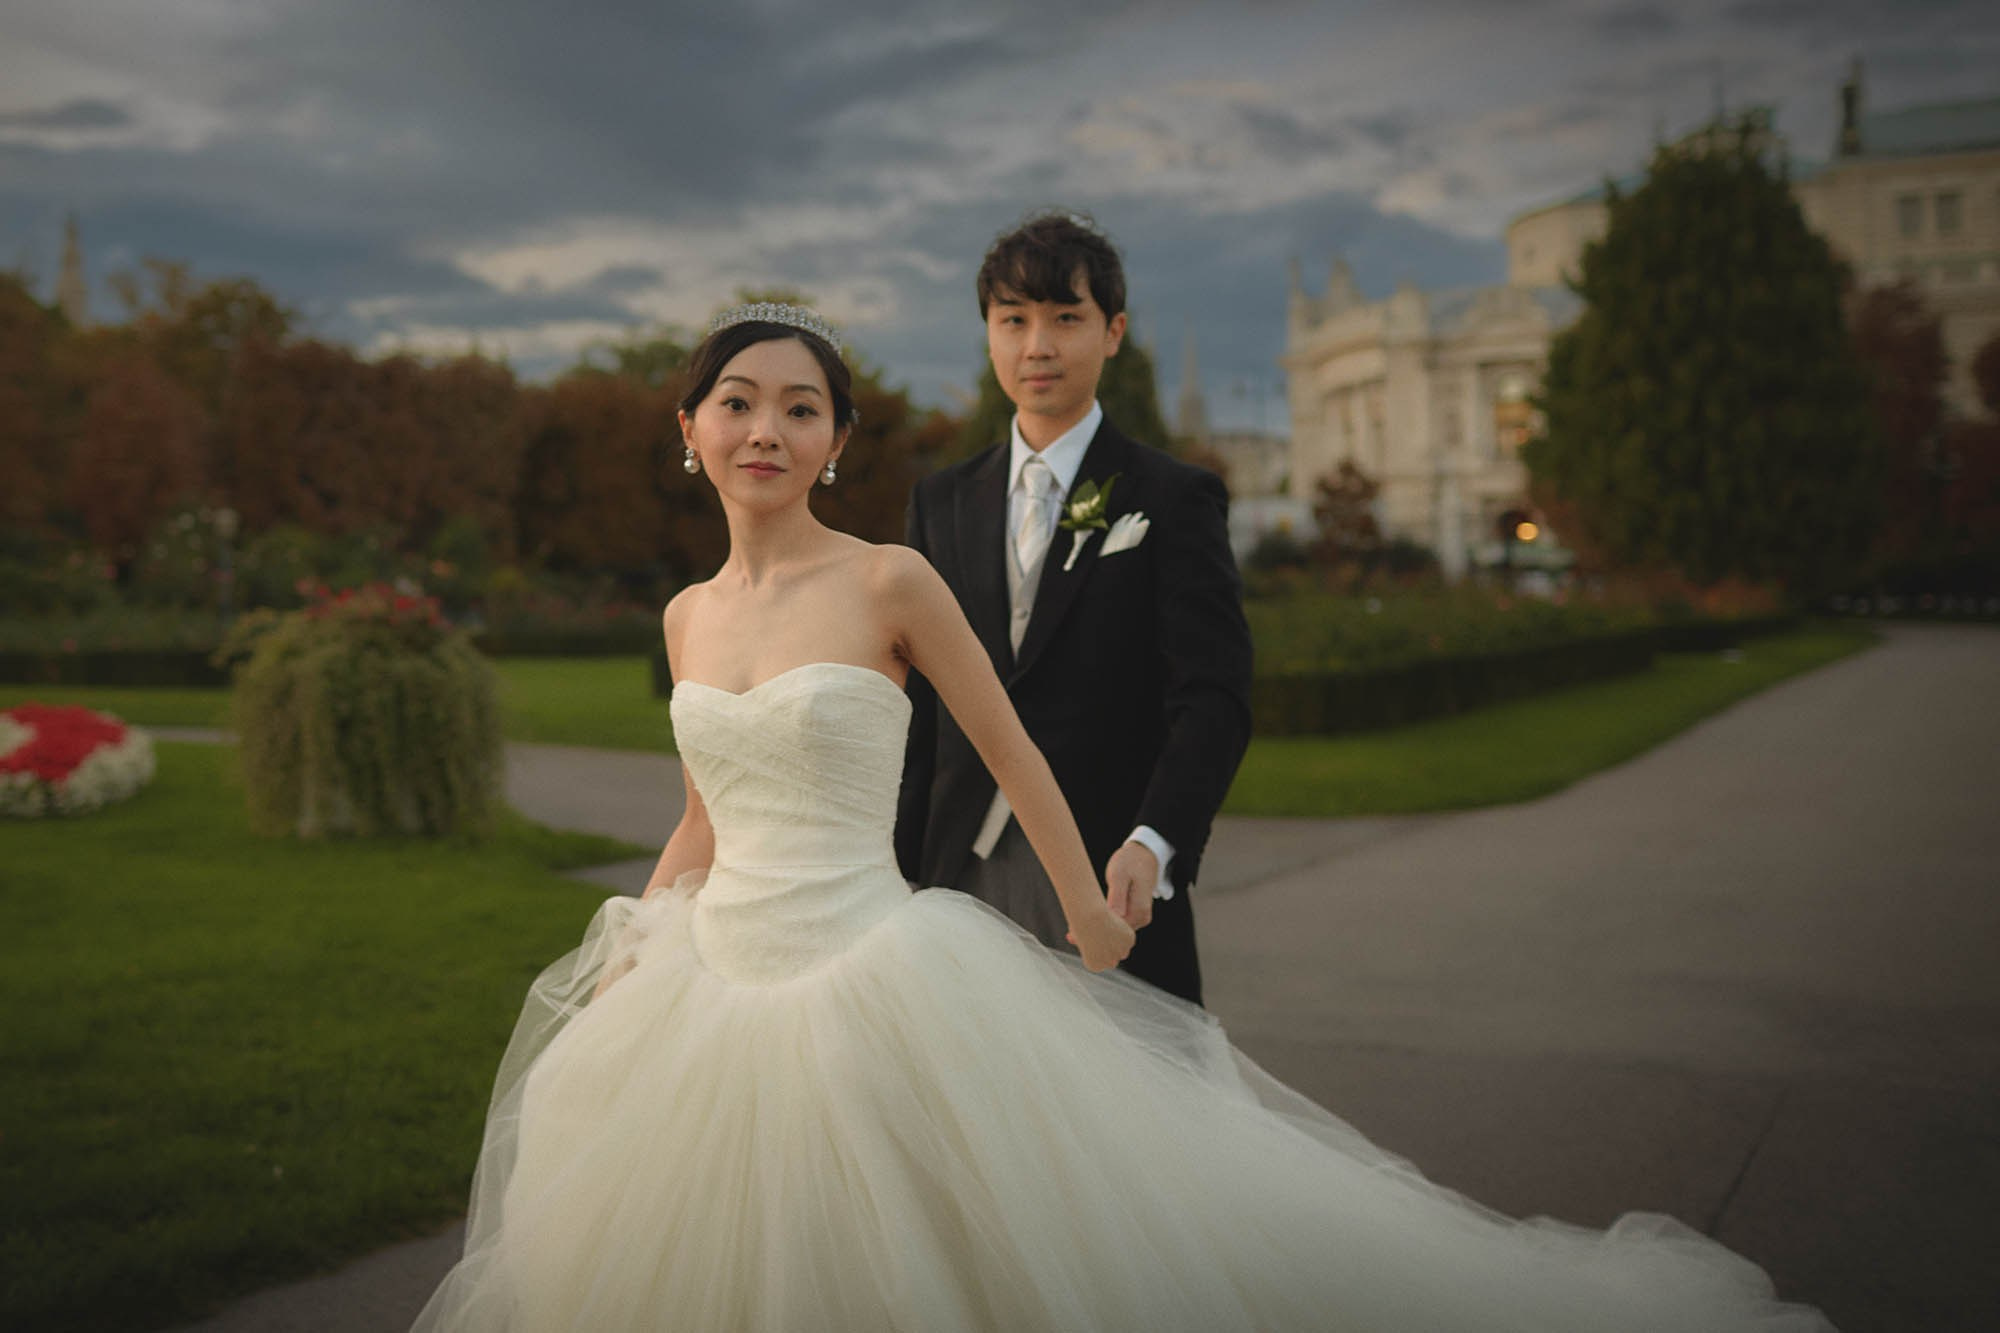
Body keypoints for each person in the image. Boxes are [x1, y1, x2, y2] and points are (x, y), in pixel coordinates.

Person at [412, 303, 1833, 1332]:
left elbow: (1011, 746)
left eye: (800, 407)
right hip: (709, 983)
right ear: (689, 430)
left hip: (869, 971)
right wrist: (639, 933)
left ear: (836, 440)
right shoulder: (685, 614)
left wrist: (1092, 906)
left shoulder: (890, 580)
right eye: (737, 402)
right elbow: (705, 813)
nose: (765, 429)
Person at [895, 211, 1250, 1006]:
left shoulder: (1173, 497)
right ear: (989, 333)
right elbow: (919, 710)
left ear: (1113, 331)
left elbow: (1213, 698)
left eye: (1065, 318)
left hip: (1108, 874)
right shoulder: (939, 502)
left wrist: (1154, 840)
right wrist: (896, 867)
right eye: (1013, 320)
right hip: (954, 874)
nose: (1037, 346)